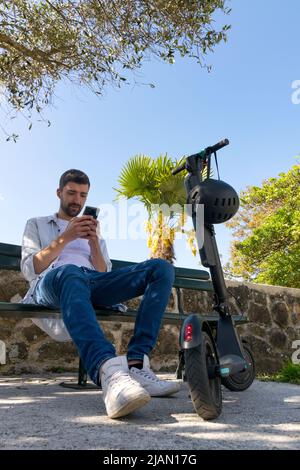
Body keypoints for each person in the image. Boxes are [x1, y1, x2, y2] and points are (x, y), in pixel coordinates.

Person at [21, 169, 180, 419]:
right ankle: (110, 372)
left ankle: (137, 364)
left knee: (161, 268)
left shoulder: (94, 231)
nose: (77, 200)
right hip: (51, 283)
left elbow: (103, 271)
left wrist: (93, 241)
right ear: (59, 192)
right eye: (71, 193)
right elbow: (30, 269)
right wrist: (66, 238)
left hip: (90, 281)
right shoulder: (37, 224)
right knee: (71, 271)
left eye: (83, 195)